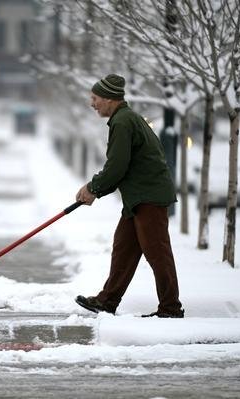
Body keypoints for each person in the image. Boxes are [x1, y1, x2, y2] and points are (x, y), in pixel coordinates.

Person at [74, 73, 184, 318]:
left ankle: (171, 308)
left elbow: (117, 166)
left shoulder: (123, 122)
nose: (92, 103)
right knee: (124, 248)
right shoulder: (124, 118)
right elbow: (120, 167)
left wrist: (94, 188)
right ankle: (107, 301)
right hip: (138, 197)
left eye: (95, 98)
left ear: (110, 99)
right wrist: (94, 188)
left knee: (157, 253)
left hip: (148, 197)